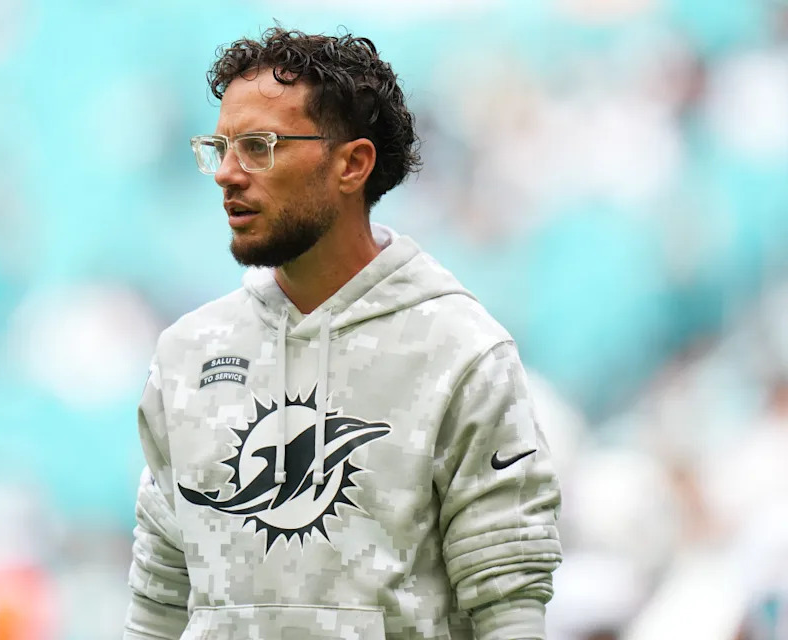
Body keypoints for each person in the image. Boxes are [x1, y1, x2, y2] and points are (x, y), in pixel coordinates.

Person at [124, 27, 562, 640]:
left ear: (352, 164)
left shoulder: (461, 353)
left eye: (258, 146)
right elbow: (158, 605)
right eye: (219, 147)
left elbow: (510, 609)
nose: (226, 173)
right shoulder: (186, 355)